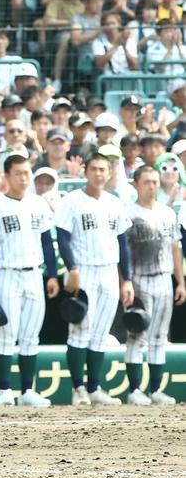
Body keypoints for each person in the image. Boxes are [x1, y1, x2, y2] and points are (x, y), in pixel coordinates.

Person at [0, 153, 61, 408]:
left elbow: (47, 242)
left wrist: (52, 275)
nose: (24, 178)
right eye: (18, 173)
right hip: (7, 273)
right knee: (6, 333)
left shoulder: (38, 204)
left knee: (30, 335)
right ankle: (5, 390)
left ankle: (27, 390)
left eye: (27, 173)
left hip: (34, 273)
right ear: (6, 176)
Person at [54, 152, 133, 406]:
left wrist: (127, 279)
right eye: (94, 169)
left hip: (109, 269)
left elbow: (123, 243)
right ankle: (78, 388)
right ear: (85, 171)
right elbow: (63, 237)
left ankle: (94, 387)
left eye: (103, 169)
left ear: (109, 173)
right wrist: (72, 269)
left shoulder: (114, 202)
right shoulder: (72, 201)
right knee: (80, 330)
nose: (99, 173)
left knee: (100, 333)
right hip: (84, 269)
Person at [121, 165, 181, 406]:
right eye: (147, 182)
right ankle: (135, 389)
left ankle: (155, 389)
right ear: (136, 184)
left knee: (159, 336)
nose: (152, 186)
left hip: (164, 277)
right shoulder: (128, 213)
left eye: (155, 182)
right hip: (139, 278)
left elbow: (174, 248)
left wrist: (181, 282)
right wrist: (124, 281)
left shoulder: (167, 213)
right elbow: (122, 252)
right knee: (137, 334)